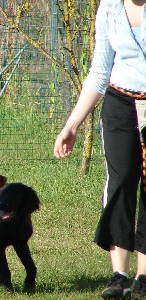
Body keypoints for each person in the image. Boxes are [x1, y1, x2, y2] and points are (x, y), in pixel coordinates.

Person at [54, 0, 146, 298]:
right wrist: (72, 125)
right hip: (119, 103)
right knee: (120, 182)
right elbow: (99, 71)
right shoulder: (109, 7)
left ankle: (144, 276)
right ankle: (119, 274)